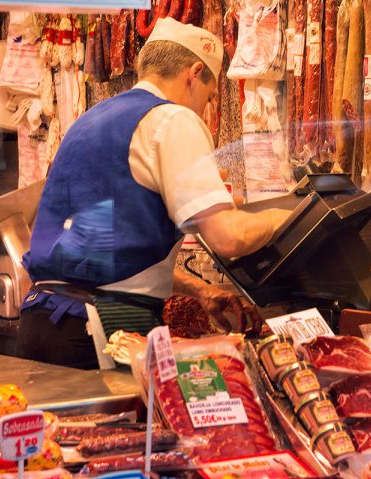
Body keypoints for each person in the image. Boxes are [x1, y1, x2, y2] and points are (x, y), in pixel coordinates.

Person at [16, 18, 290, 369]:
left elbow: (106, 249)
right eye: (208, 98)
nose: (204, 110)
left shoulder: (90, 120)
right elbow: (228, 238)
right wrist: (287, 215)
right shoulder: (173, 119)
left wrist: (201, 291)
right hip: (100, 330)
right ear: (193, 74)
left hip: (41, 322)